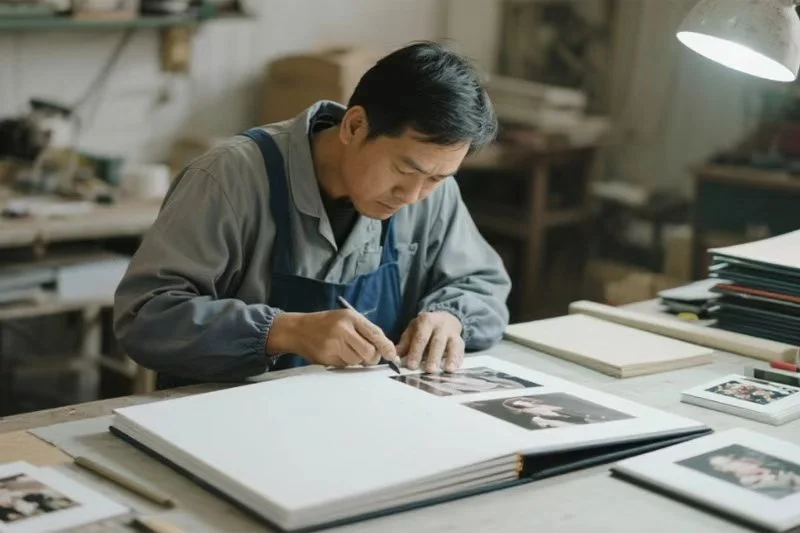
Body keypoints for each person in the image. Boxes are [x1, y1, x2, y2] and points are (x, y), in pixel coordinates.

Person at [113, 41, 512, 388]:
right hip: (225, 420)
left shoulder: (431, 194)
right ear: (354, 126)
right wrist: (283, 331)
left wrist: (450, 317)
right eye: (404, 170)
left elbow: (485, 286)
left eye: (438, 178)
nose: (412, 195)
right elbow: (145, 320)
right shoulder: (228, 178)